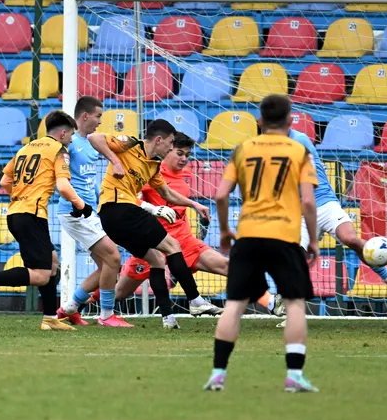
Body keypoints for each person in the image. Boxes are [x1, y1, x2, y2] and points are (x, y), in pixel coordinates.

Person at [204, 95, 320, 393]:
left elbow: (220, 195)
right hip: (285, 237)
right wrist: (313, 240)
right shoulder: (300, 151)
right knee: (294, 303)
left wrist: (225, 231)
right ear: (290, 120)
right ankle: (294, 376)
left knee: (235, 304)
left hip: (248, 235)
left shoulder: (242, 149)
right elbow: (308, 202)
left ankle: (218, 374)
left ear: (259, 121)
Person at [113, 132, 273, 315]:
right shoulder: (151, 173)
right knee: (120, 292)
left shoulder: (185, 174)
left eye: (187, 155)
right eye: (179, 153)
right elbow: (130, 200)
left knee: (227, 266)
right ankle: (87, 302)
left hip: (184, 241)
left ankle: (273, 303)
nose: (184, 159)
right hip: (155, 244)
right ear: (167, 150)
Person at [0, 111, 90, 331]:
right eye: (71, 135)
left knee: (52, 262)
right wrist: (82, 206)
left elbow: (5, 180)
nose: (72, 140)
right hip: (32, 215)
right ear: (62, 133)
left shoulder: (26, 148)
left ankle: (50, 318)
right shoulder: (59, 151)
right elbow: (64, 186)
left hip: (17, 212)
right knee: (41, 275)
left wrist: (21, 197)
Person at [89, 119, 212, 330]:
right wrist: (116, 162)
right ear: (159, 140)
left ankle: (168, 318)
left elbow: (167, 193)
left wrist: (194, 204)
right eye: (171, 143)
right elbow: (94, 137)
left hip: (112, 220)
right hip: (119, 209)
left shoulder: (153, 167)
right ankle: (195, 300)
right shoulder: (129, 144)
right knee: (172, 246)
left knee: (156, 260)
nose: (171, 148)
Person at [290, 127, 387, 295]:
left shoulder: (299, 140)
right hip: (299, 212)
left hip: (325, 203)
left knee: (350, 239)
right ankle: (285, 300)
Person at [53, 97, 128, 327]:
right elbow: (60, 175)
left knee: (107, 265)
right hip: (76, 211)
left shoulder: (91, 145)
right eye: (98, 116)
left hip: (90, 211)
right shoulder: (69, 143)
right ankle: (106, 315)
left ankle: (69, 309)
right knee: (114, 257)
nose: (100, 121)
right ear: (85, 116)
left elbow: (88, 180)